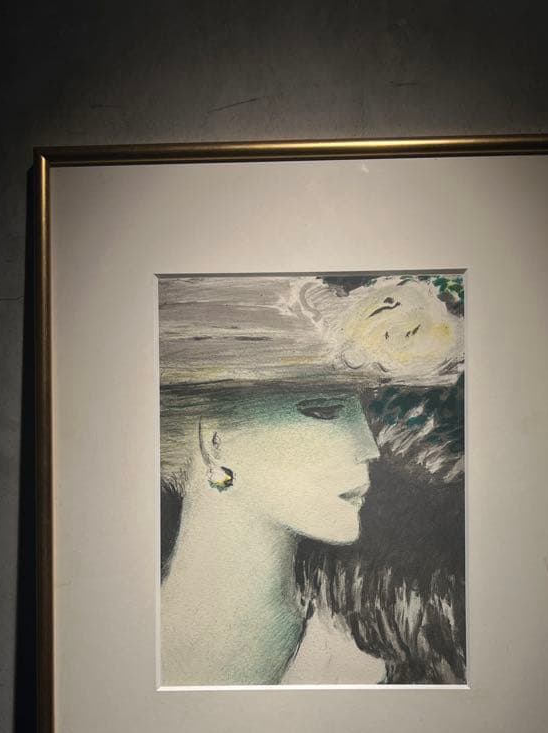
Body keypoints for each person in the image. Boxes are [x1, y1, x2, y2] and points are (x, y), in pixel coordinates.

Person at [159, 273, 465, 686]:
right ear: (216, 442)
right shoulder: (106, 643)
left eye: (362, 411)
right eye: (324, 411)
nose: (370, 448)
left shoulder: (373, 672)